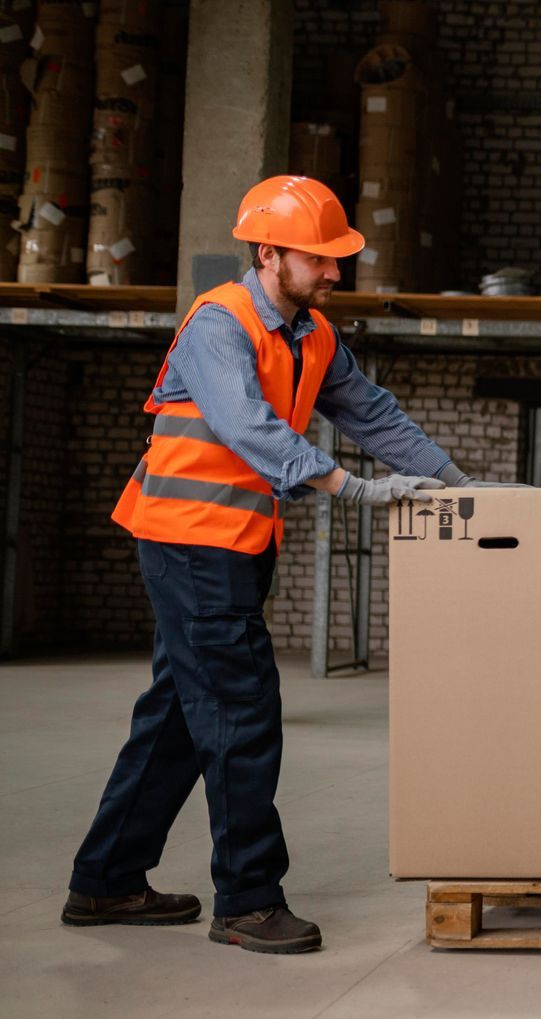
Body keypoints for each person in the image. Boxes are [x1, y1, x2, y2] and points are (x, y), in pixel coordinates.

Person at [63, 176, 514, 953]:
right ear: (268, 253)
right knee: (241, 714)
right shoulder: (220, 324)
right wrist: (352, 487)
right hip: (189, 539)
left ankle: (106, 882)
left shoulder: (312, 333)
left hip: (235, 544)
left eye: (339, 259)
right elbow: (250, 429)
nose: (336, 273)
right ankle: (246, 900)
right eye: (321, 259)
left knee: (178, 714)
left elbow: (373, 414)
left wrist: (457, 483)